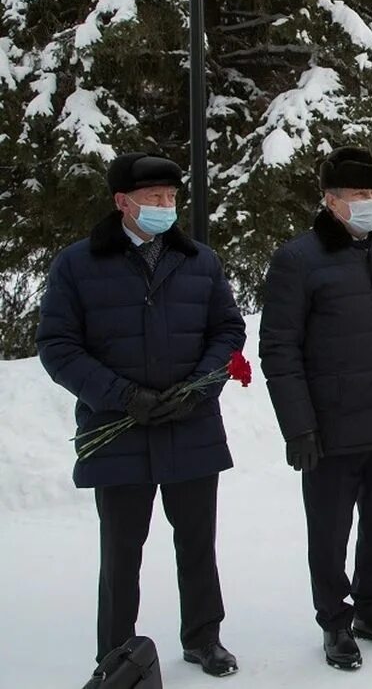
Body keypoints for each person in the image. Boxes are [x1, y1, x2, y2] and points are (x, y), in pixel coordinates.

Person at [36, 151, 246, 677]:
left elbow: (228, 330)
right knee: (122, 551)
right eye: (153, 198)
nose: (164, 206)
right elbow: (58, 346)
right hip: (118, 430)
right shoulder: (78, 264)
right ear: (121, 202)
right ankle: (116, 653)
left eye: (171, 197)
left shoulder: (200, 260)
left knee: (198, 542)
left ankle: (204, 637)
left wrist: (199, 389)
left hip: (190, 426)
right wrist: (123, 396)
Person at [259, 146, 372, 671]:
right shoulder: (299, 260)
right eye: (358, 195)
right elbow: (279, 348)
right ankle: (334, 622)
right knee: (330, 531)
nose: (369, 203)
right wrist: (298, 426)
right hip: (330, 427)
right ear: (330, 201)